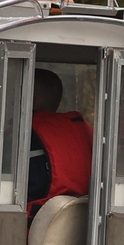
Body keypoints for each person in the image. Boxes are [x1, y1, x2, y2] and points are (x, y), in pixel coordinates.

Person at [25, 69, 91, 217]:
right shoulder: (85, 132)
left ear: (33, 96)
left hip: (31, 229)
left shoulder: (24, 134)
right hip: (81, 226)